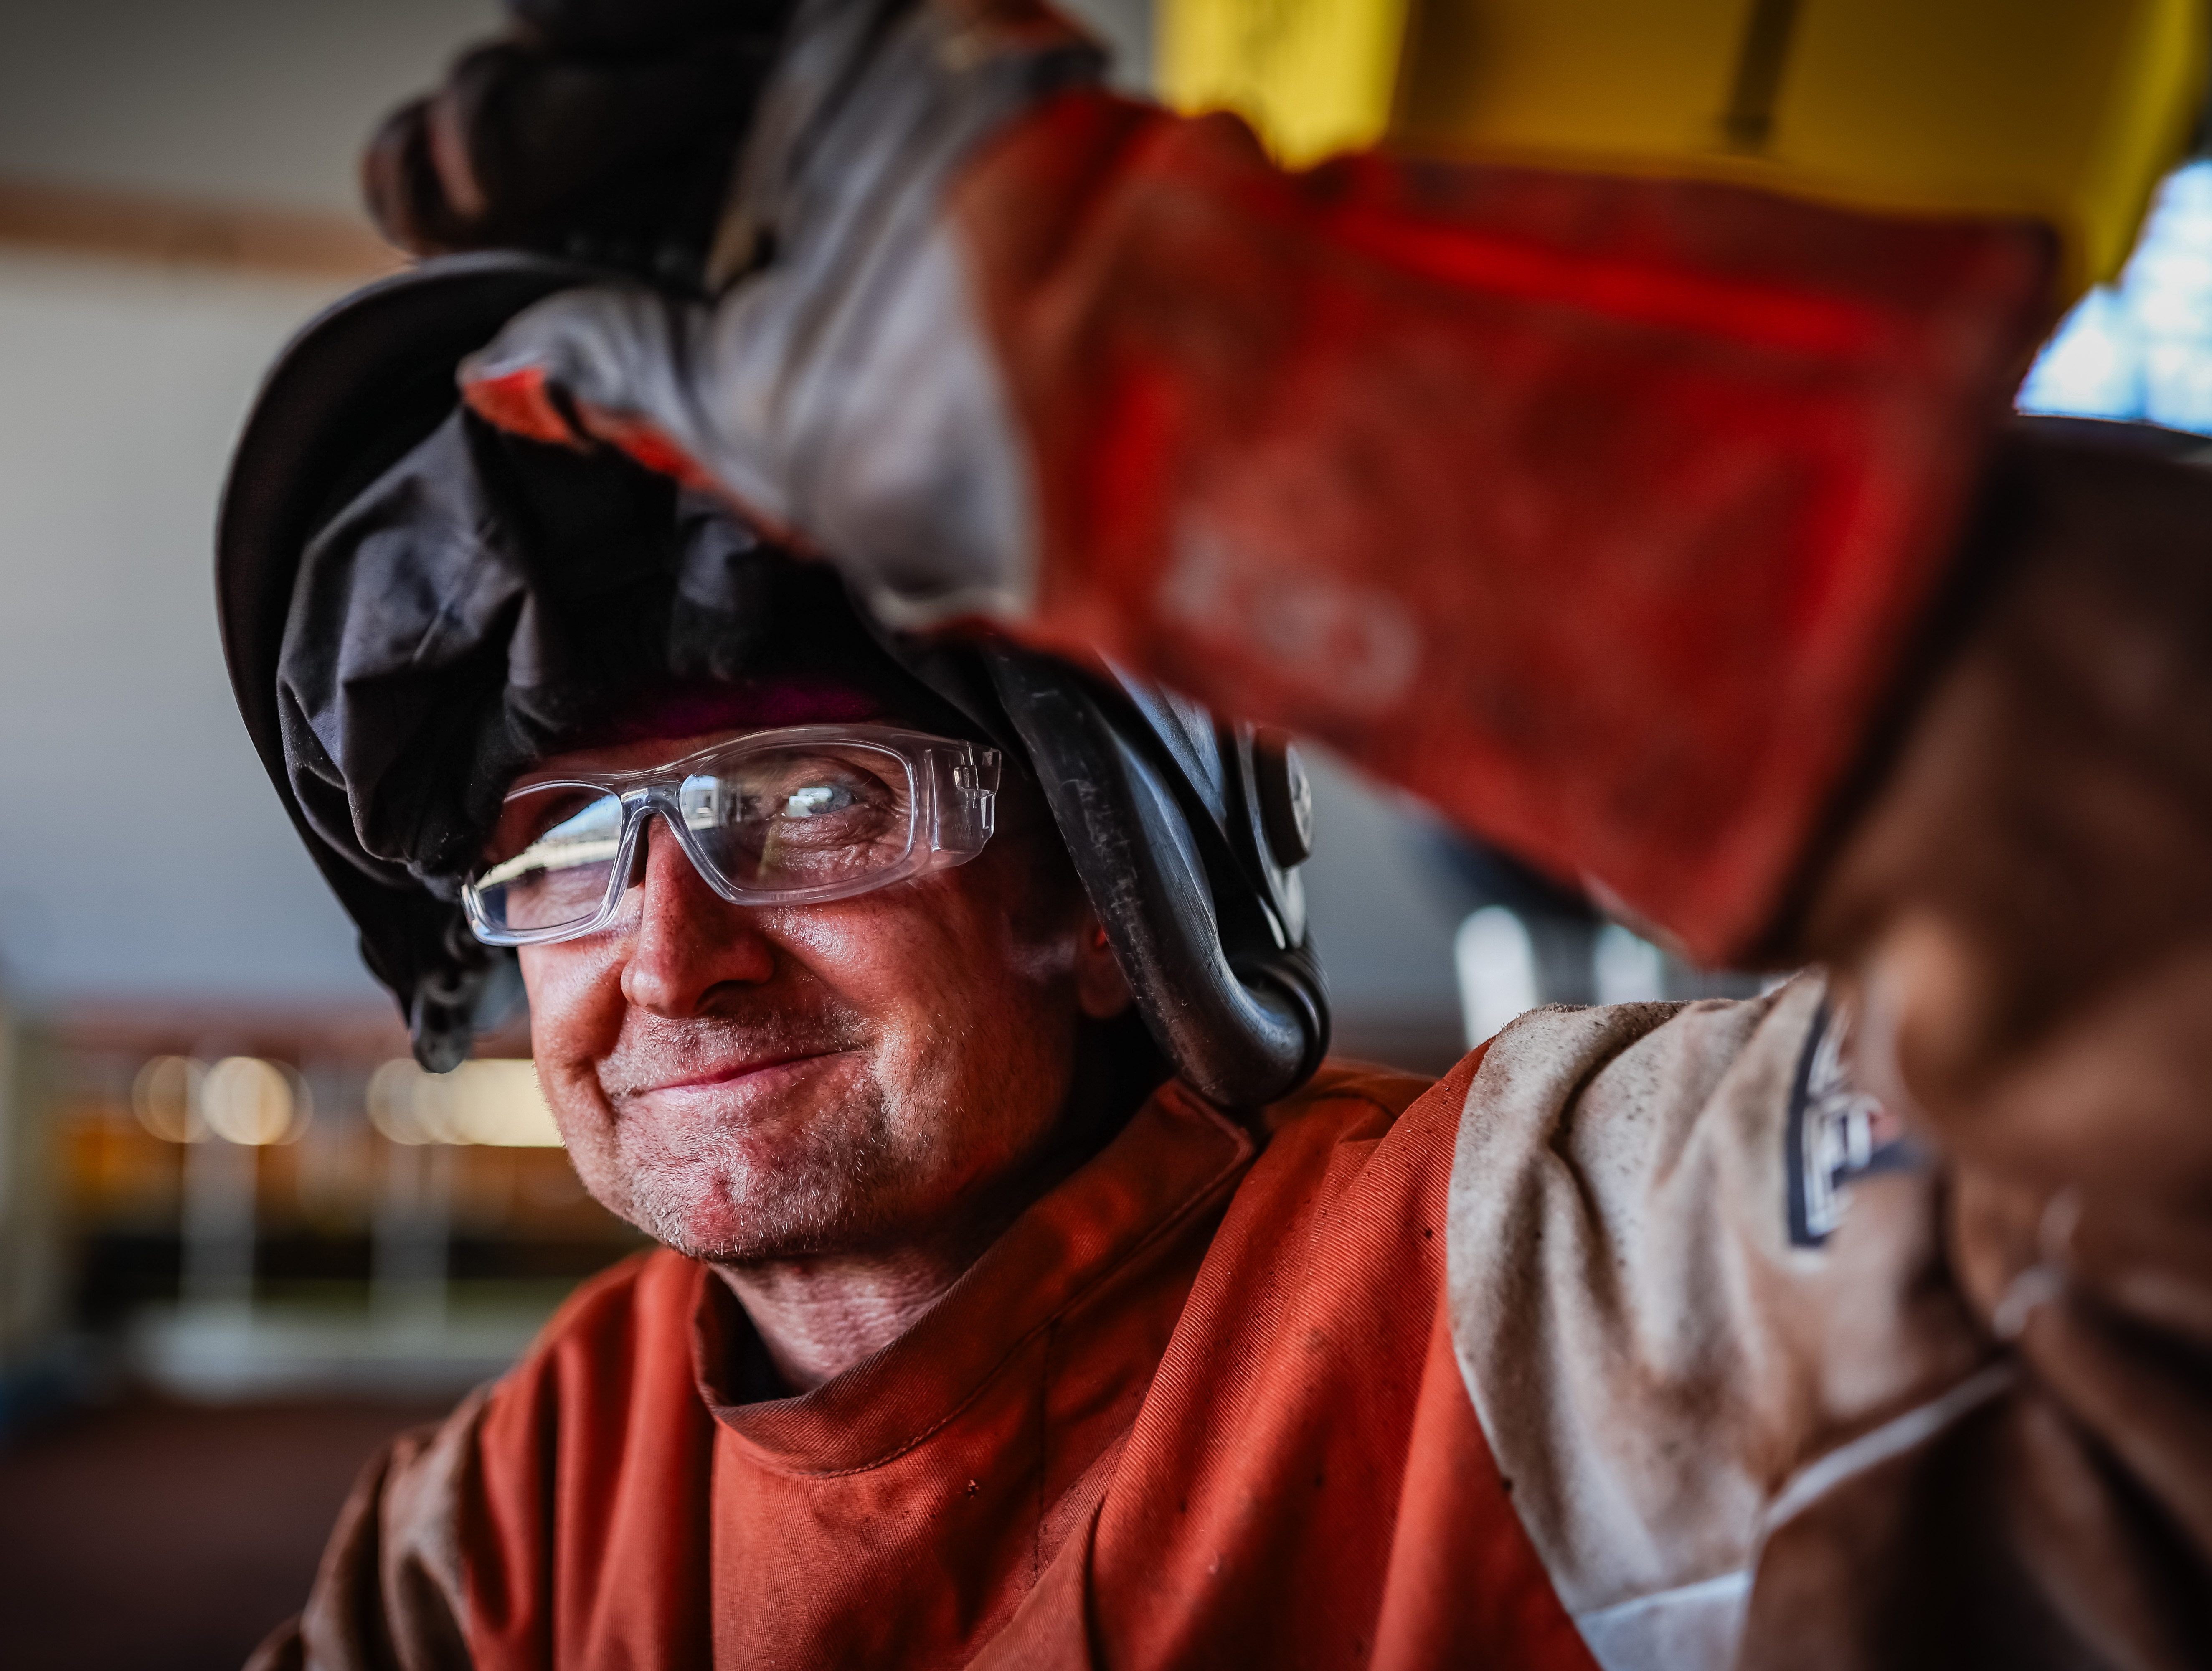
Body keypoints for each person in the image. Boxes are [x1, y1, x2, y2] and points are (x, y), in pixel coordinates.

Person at [223, 3, 2212, 1665]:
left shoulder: (1543, 1294)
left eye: (809, 804)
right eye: (571, 852)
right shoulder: (504, 1529)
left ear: (1101, 905)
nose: (668, 958)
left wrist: (1173, 370)